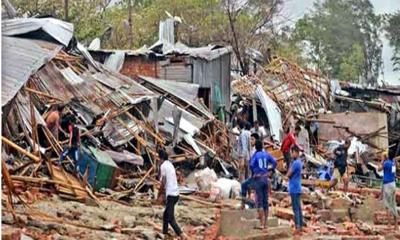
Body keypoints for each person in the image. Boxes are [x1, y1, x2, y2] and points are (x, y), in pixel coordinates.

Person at [158, 149, 187, 240]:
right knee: (165, 214)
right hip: (175, 193)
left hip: (171, 194)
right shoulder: (170, 164)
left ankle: (182, 235)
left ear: (160, 158)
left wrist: (160, 194)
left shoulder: (163, 166)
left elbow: (163, 181)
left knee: (170, 218)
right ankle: (165, 233)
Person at [249, 140, 277, 229]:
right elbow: (275, 162)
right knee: (266, 202)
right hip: (265, 178)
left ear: (256, 147)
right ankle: (266, 224)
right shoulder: (266, 154)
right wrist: (271, 170)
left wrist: (254, 173)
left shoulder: (255, 155)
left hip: (258, 179)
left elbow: (251, 164)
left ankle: (261, 223)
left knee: (260, 202)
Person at [286, 145, 303, 235]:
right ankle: (301, 225)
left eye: (291, 153)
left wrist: (289, 164)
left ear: (295, 152)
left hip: (294, 188)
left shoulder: (295, 163)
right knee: (299, 208)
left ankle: (298, 227)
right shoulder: (299, 162)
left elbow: (288, 174)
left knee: (296, 208)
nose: (291, 154)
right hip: (297, 187)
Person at [379, 152, 398, 230]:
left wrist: (382, 162)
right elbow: (395, 171)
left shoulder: (386, 163)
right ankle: (396, 225)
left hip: (387, 185)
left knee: (387, 205)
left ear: (385, 157)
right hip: (393, 184)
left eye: (382, 156)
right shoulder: (393, 163)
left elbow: (379, 169)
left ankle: (389, 224)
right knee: (393, 204)